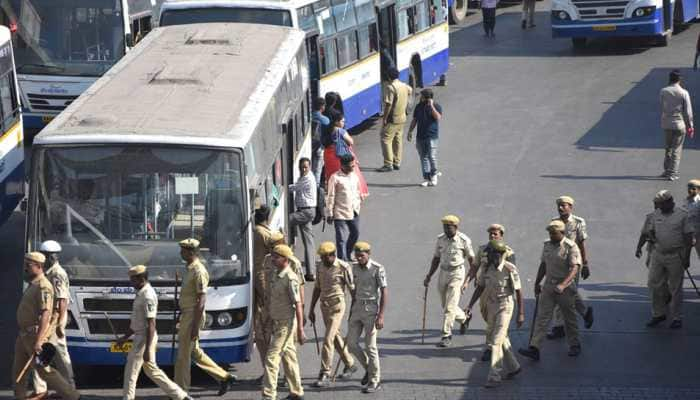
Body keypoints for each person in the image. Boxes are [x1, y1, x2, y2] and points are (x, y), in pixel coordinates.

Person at [117, 265, 192, 400]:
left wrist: (147, 349)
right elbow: (137, 322)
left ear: (141, 278)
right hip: (141, 336)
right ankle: (181, 396)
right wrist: (125, 337)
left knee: (131, 372)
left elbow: (151, 324)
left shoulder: (147, 296)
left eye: (133, 279)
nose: (131, 282)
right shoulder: (141, 292)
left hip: (145, 338)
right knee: (151, 370)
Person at [12, 252, 80, 400]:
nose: (25, 268)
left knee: (45, 371)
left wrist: (39, 340)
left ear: (39, 266)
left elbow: (46, 314)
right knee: (18, 372)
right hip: (23, 335)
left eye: (28, 265)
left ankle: (73, 396)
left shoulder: (44, 286)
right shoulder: (33, 285)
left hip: (33, 336)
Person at [174, 238, 236, 396]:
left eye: (183, 251)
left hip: (192, 315)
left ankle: (180, 393)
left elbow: (201, 300)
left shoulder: (199, 271)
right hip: (187, 315)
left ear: (191, 252)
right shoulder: (188, 268)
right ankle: (224, 377)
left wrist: (194, 326)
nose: (181, 253)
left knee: (183, 357)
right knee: (194, 353)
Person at [518, 220, 582, 361]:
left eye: (554, 233)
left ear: (562, 233)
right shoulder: (547, 245)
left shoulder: (571, 247)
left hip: (564, 288)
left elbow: (574, 269)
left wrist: (563, 285)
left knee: (569, 317)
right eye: (550, 233)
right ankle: (534, 348)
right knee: (542, 317)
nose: (551, 236)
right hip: (549, 286)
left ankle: (574, 344)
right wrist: (537, 282)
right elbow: (543, 264)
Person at [465, 239, 523, 388]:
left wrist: (521, 313)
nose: (491, 258)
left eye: (493, 255)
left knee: (496, 341)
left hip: (505, 306)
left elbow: (518, 291)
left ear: (501, 255)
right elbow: (480, 287)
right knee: (500, 338)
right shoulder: (486, 269)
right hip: (491, 306)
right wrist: (469, 306)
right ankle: (515, 367)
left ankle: (494, 376)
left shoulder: (510, 269)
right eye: (489, 255)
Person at [308, 242, 357, 387]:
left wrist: (354, 311)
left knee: (328, 339)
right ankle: (350, 363)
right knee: (335, 337)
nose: (322, 259)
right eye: (321, 257)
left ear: (332, 255)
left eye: (324, 257)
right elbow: (317, 288)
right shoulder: (320, 266)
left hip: (337, 307)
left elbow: (352, 290)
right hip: (325, 307)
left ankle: (325, 372)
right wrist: (311, 309)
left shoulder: (343, 267)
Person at [423, 215, 475, 348]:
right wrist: (429, 275)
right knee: (445, 305)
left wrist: (467, 281)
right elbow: (436, 258)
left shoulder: (464, 240)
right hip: (443, 272)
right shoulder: (441, 239)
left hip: (457, 273)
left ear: (456, 227)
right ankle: (464, 318)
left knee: (450, 307)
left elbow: (473, 262)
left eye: (449, 227)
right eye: (444, 226)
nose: (446, 229)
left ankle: (446, 335)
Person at [262, 245, 305, 400]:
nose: (273, 259)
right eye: (273, 256)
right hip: (276, 322)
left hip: (286, 325)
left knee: (271, 359)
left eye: (277, 257)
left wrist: (300, 329)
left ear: (285, 259)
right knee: (289, 357)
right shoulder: (276, 274)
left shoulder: (290, 278)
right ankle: (296, 392)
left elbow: (298, 304)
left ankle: (268, 396)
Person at [547, 196, 594, 340]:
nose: (561, 208)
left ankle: (559, 327)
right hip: (558, 261)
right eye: (559, 206)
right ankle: (585, 313)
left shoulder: (578, 222)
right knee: (569, 292)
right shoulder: (554, 222)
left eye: (564, 205)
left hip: (573, 262)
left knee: (564, 291)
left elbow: (581, 243)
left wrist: (585, 264)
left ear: (570, 207)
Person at [467, 224, 515, 362]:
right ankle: (506, 354)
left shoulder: (508, 253)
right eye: (491, 234)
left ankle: (491, 349)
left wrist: (520, 312)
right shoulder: (483, 250)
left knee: (497, 326)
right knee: (489, 320)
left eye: (495, 234)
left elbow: (515, 283)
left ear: (501, 235)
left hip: (502, 295)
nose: (492, 236)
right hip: (486, 289)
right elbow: (475, 267)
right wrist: (466, 282)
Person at [645, 190, 694, 329]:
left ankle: (676, 317)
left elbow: (688, 238)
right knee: (654, 284)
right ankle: (658, 314)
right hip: (658, 254)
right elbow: (651, 231)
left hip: (676, 255)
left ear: (669, 202)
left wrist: (687, 258)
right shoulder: (655, 215)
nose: (657, 207)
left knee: (675, 287)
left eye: (659, 204)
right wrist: (651, 236)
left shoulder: (683, 215)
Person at [32, 240, 75, 396]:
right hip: (49, 317)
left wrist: (58, 325)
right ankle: (41, 390)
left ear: (50, 257)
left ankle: (69, 388)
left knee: (60, 354)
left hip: (55, 318)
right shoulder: (49, 272)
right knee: (41, 352)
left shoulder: (57, 273)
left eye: (44, 256)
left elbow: (62, 300)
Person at [347, 241, 387, 394]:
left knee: (370, 346)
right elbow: (354, 289)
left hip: (371, 309)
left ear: (368, 254)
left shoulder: (378, 269)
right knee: (351, 344)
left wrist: (381, 316)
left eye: (362, 255)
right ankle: (369, 369)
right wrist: (351, 309)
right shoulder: (354, 267)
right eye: (357, 255)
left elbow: (384, 292)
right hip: (357, 308)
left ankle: (374, 380)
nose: (359, 258)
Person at [326, 154, 365, 261]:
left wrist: (360, 198)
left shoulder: (354, 176)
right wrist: (329, 213)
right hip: (340, 212)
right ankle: (342, 260)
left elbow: (357, 190)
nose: (353, 168)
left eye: (353, 165)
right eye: (350, 166)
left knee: (355, 233)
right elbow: (330, 196)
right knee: (341, 239)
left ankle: (348, 253)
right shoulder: (335, 178)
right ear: (343, 166)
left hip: (354, 211)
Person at [253, 206, 276, 382]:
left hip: (263, 286)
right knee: (263, 333)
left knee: (263, 334)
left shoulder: (257, 232)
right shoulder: (263, 233)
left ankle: (270, 371)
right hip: (263, 286)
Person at [322, 113, 369, 197]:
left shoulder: (328, 129)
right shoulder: (340, 131)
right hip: (339, 155)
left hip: (329, 156)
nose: (344, 123)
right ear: (337, 122)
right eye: (342, 121)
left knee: (332, 175)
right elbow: (351, 141)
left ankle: (333, 193)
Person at [659, 69, 694, 181]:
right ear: (680, 79)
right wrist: (690, 126)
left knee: (668, 148)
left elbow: (662, 106)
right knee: (677, 149)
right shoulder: (684, 93)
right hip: (679, 124)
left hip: (667, 124)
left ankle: (666, 170)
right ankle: (673, 173)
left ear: (669, 79)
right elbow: (688, 112)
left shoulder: (663, 91)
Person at [377, 67, 412, 172]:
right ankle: (397, 162)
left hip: (393, 118)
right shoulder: (404, 86)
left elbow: (388, 104)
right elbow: (410, 91)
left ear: (388, 76)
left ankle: (388, 164)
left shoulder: (391, 88)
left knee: (385, 139)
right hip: (402, 117)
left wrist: (385, 118)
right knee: (398, 139)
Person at [289, 158, 317, 281]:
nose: (303, 169)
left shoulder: (307, 178)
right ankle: (311, 273)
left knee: (287, 221)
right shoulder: (305, 176)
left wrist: (280, 184)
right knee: (308, 242)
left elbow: (293, 188)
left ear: (310, 166)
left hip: (306, 211)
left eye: (306, 167)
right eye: (301, 167)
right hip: (306, 211)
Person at [408, 89, 442, 187]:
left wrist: (431, 106)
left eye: (421, 96)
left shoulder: (436, 106)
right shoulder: (418, 107)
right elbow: (415, 120)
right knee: (424, 158)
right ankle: (426, 178)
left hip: (431, 136)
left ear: (426, 97)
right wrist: (410, 131)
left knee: (432, 156)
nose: (420, 97)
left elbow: (438, 117)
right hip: (420, 136)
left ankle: (434, 175)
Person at [312, 98, 331, 185]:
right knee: (318, 170)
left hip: (311, 146)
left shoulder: (308, 116)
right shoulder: (325, 120)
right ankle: (317, 190)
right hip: (319, 147)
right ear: (322, 107)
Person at [685, 179, 700, 259]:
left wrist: (695, 236)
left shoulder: (699, 202)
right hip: (688, 233)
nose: (690, 190)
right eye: (689, 188)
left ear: (699, 190)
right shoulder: (686, 200)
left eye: (693, 189)